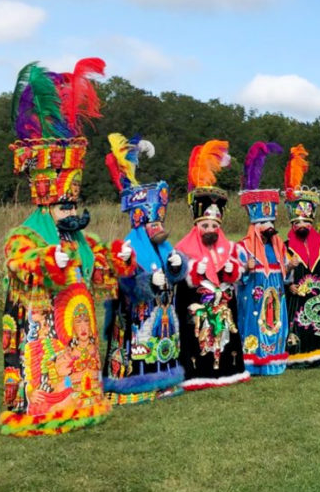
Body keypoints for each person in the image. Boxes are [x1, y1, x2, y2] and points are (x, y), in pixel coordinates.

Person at [0, 58, 133, 436]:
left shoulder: (81, 239)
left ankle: (84, 402)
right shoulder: (26, 234)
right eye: (64, 206)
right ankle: (47, 407)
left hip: (78, 321)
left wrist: (121, 258)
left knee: (79, 364)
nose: (71, 211)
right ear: (46, 205)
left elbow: (103, 268)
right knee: (49, 372)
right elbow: (19, 263)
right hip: (44, 324)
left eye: (73, 204)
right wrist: (47, 259)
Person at [103, 133, 187, 404]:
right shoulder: (129, 247)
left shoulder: (163, 245)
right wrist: (148, 281)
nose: (158, 228)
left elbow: (177, 275)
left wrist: (178, 266)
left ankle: (166, 380)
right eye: (153, 223)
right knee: (141, 347)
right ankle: (137, 386)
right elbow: (125, 288)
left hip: (163, 316)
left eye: (160, 221)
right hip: (138, 320)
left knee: (162, 344)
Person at [175, 140, 251, 390]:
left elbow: (236, 274)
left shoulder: (229, 247)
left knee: (225, 337)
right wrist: (191, 273)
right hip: (197, 311)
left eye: (214, 226)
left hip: (222, 309)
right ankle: (198, 374)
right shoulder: (182, 248)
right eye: (205, 225)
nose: (210, 230)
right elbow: (179, 280)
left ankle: (228, 371)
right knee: (199, 337)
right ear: (197, 226)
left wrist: (232, 271)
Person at [237, 141, 290, 377]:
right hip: (254, 299)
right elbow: (235, 276)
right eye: (264, 224)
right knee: (254, 327)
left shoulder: (279, 247)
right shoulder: (244, 246)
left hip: (275, 298)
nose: (269, 228)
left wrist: (289, 266)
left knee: (274, 324)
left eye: (271, 223)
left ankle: (274, 360)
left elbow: (283, 274)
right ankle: (253, 362)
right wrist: (245, 270)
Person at [282, 144, 320, 367]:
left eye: (306, 221)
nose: (302, 225)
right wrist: (288, 284)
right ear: (292, 223)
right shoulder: (284, 247)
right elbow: (277, 274)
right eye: (298, 222)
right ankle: (298, 358)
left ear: (312, 221)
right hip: (296, 302)